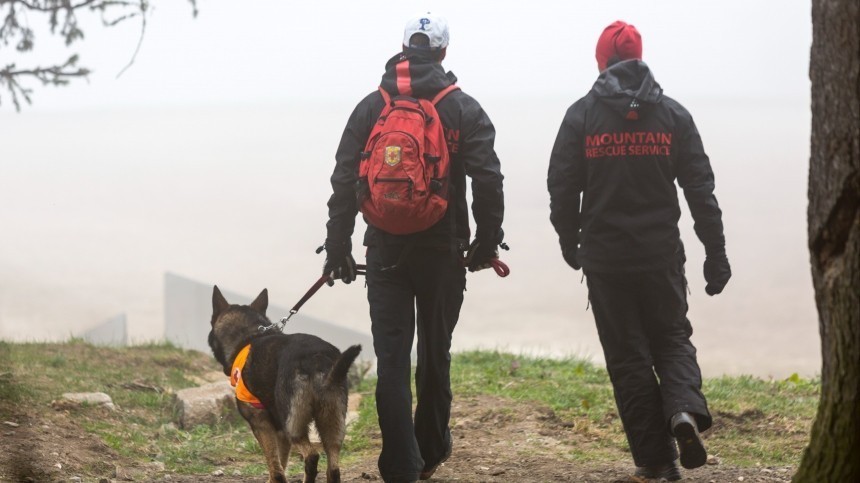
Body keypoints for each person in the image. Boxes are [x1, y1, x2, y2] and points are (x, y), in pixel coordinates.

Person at [323, 12, 505, 483]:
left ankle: (399, 467)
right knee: (434, 353)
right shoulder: (461, 108)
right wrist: (485, 242)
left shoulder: (371, 107)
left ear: (403, 48)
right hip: (443, 250)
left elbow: (345, 178)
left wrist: (338, 245)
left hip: (384, 249)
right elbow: (488, 179)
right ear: (443, 53)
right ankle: (431, 450)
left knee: (392, 360)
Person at [547, 20, 731, 481]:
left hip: (607, 262)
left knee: (628, 357)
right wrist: (716, 251)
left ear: (601, 61)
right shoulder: (672, 115)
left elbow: (562, 188)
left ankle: (656, 461)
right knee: (671, 339)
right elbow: (700, 190)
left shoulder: (580, 117)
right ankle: (684, 411)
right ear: (640, 59)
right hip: (660, 256)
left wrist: (569, 240)